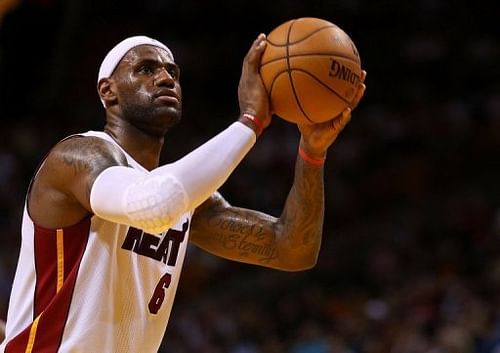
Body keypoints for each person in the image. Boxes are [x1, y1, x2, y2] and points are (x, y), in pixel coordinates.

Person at [0, 33, 366, 352]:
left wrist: (312, 153)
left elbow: (292, 249)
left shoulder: (186, 198)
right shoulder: (78, 157)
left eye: (172, 72)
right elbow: (154, 203)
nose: (164, 77)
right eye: (145, 69)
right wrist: (251, 121)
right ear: (107, 91)